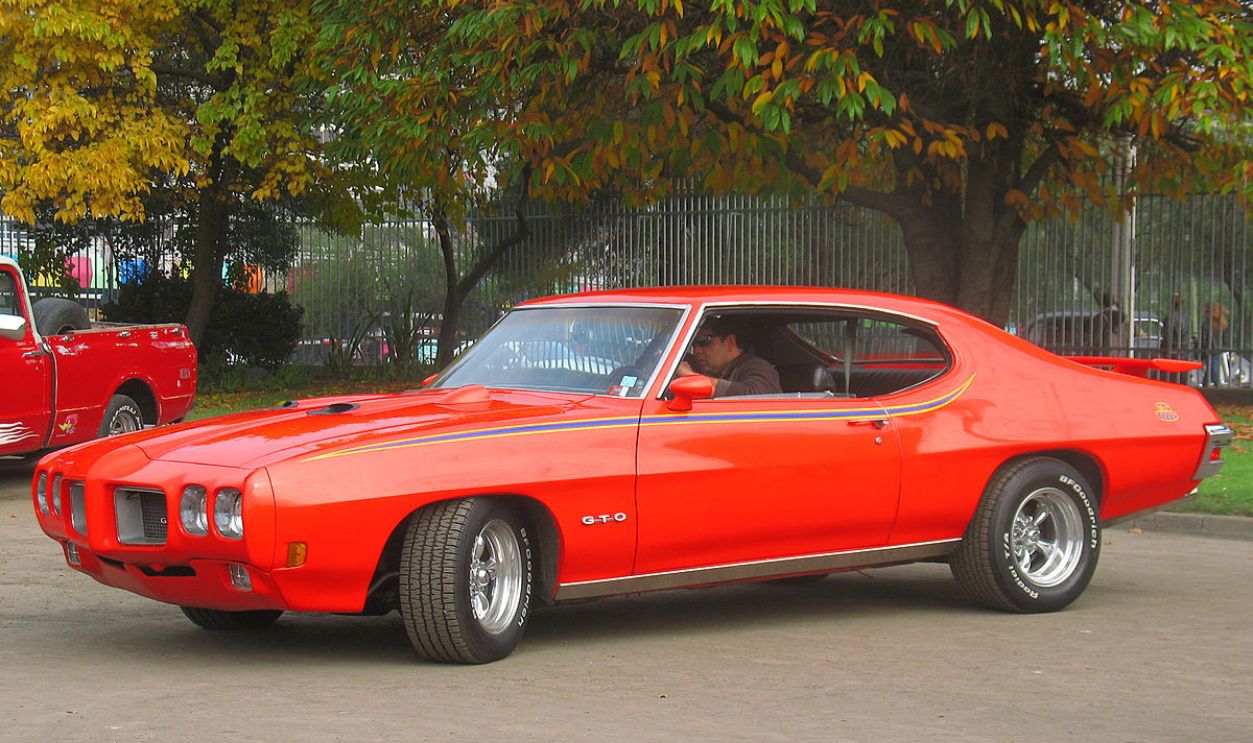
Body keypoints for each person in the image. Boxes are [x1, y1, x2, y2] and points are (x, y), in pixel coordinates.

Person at [675, 316, 781, 397]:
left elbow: (754, 397)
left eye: (704, 341)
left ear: (730, 342)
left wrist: (690, 378)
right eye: (693, 344)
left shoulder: (759, 368)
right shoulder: (706, 368)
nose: (697, 351)